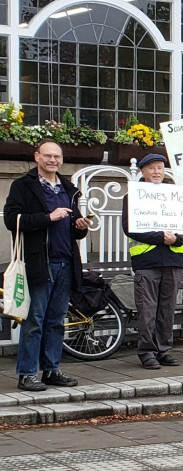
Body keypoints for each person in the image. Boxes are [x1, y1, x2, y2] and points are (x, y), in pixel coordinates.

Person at [4, 139, 90, 391]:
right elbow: (12, 219)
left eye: (57, 157)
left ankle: (51, 369)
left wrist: (80, 227)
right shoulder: (23, 186)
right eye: (48, 156)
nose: (53, 160)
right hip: (40, 263)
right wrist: (47, 218)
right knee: (34, 321)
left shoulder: (67, 187)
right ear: (37, 157)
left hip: (66, 262)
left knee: (56, 320)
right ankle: (27, 373)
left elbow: (74, 232)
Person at [122, 153, 183, 369]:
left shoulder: (175, 194)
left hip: (172, 259)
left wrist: (176, 238)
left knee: (167, 309)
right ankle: (147, 352)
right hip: (147, 261)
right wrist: (160, 237)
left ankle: (163, 350)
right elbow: (130, 228)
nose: (157, 172)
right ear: (142, 171)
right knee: (147, 309)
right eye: (151, 168)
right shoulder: (132, 196)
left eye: (160, 167)